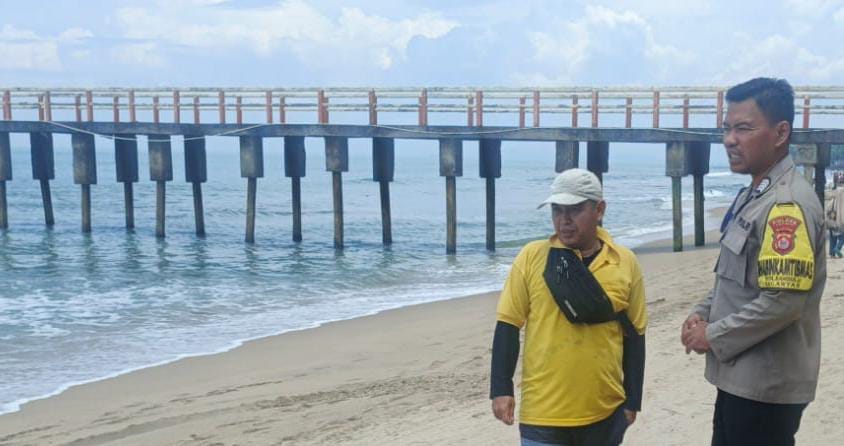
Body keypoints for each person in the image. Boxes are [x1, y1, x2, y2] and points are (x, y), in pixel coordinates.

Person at [681, 77, 826, 446]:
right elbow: (734, 277)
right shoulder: (755, 194)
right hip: (741, 379)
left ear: (780, 133)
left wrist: (712, 335)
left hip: (765, 386)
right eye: (726, 128)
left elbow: (784, 302)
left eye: (743, 128)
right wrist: (701, 311)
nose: (730, 139)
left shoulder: (785, 205)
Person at [490, 168, 647, 446]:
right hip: (543, 413)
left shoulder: (624, 262)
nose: (564, 220)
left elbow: (634, 334)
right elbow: (508, 324)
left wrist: (633, 399)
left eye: (574, 210)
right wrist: (501, 388)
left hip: (605, 411)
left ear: (599, 209)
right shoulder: (532, 257)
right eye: (557, 210)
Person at [826, 172, 844, 258]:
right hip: (841, 218)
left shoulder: (834, 191)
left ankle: (831, 253)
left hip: (832, 216)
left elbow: (828, 200)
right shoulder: (841, 192)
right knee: (842, 236)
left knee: (832, 235)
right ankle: (837, 248)